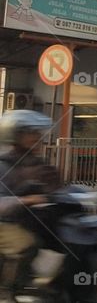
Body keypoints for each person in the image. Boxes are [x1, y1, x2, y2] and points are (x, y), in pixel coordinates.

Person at [0, 111, 52, 298]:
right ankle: (9, 290)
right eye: (31, 132)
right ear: (15, 135)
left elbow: (58, 186)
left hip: (24, 218)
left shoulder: (35, 162)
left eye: (38, 132)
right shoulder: (4, 164)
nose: (38, 137)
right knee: (28, 243)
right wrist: (27, 200)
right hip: (4, 222)